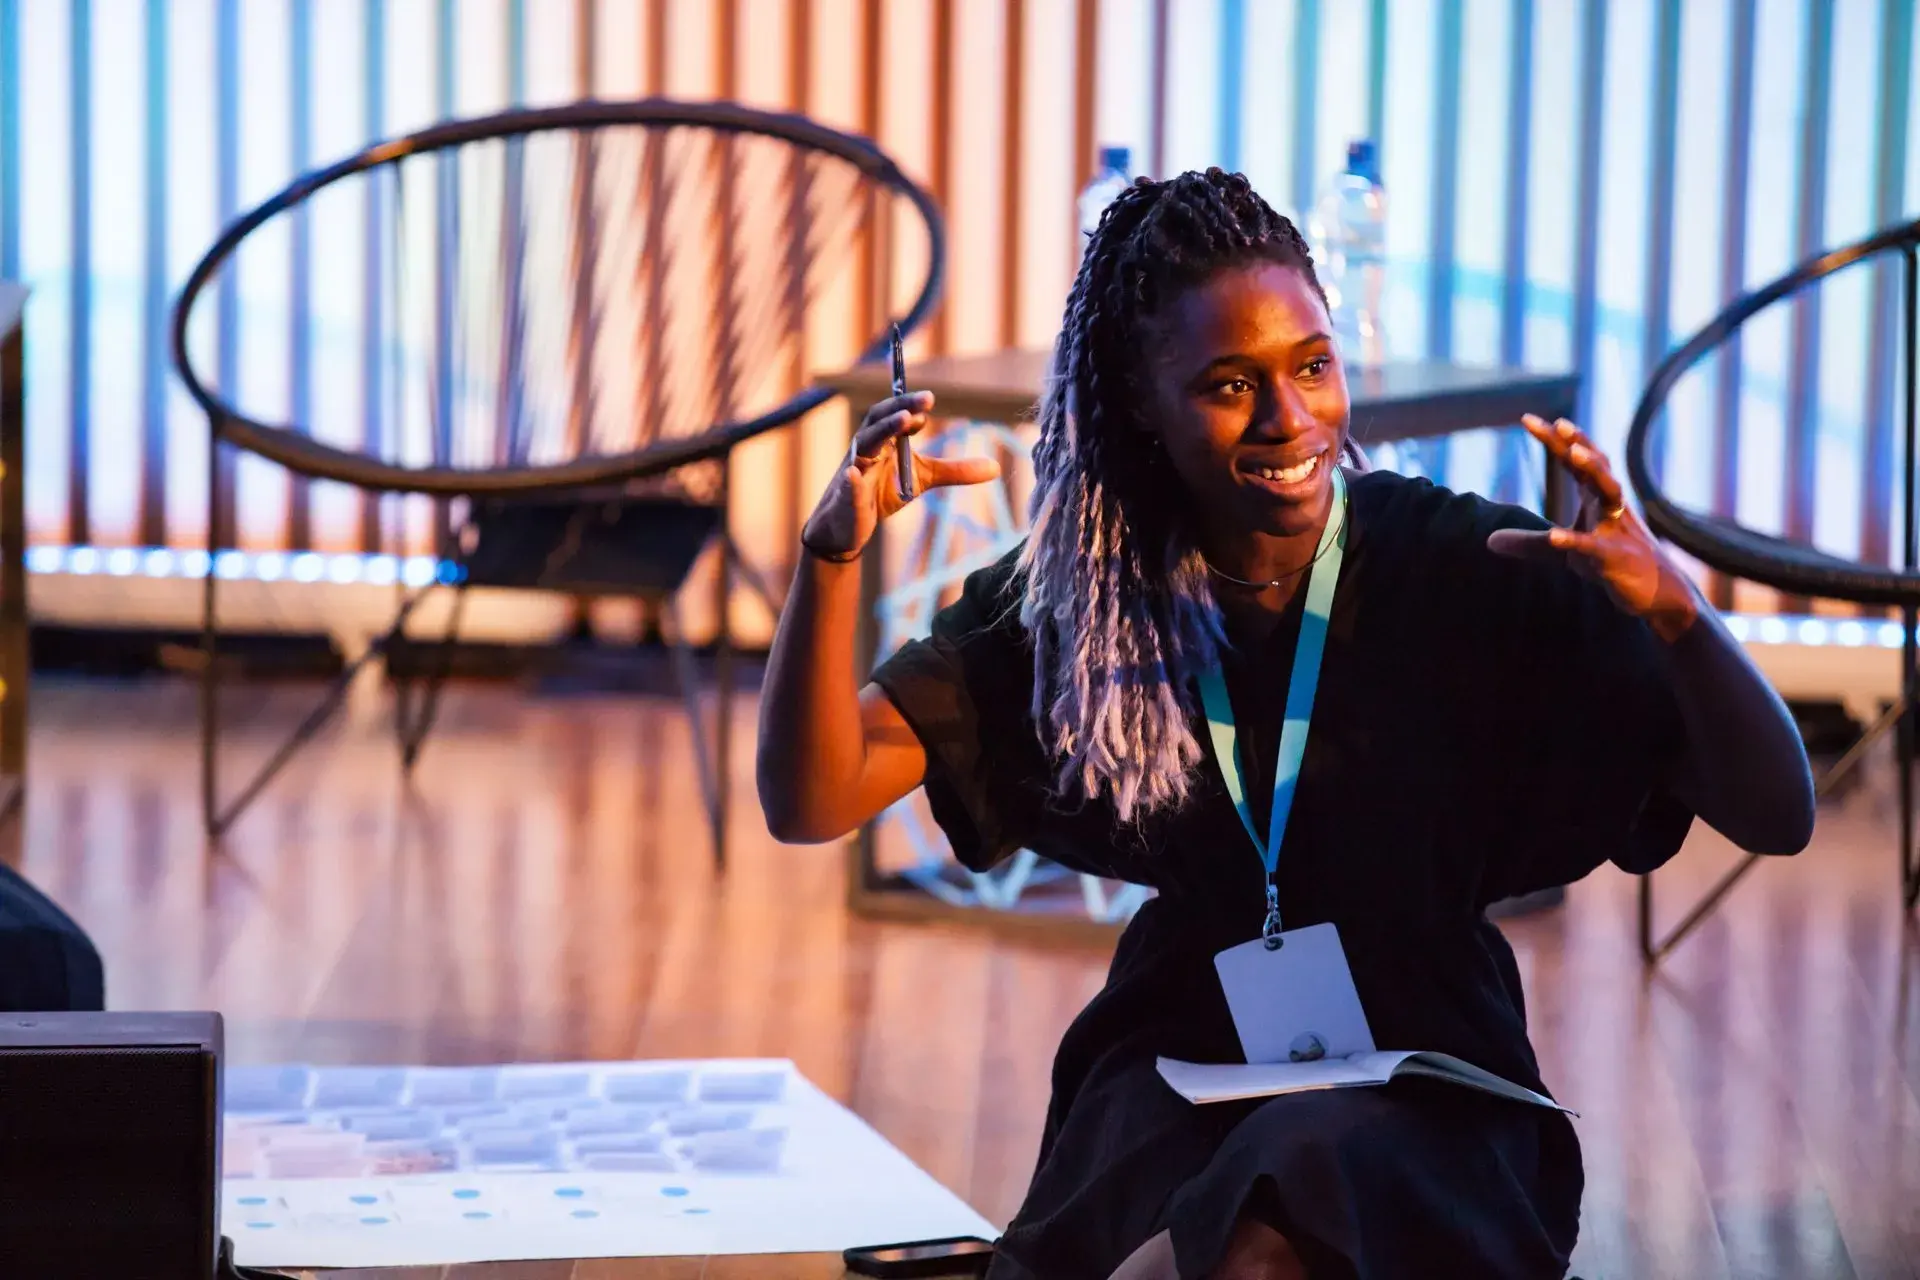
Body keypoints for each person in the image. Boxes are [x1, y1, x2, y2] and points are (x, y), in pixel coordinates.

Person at [756, 169, 1815, 1280]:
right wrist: (831, 560)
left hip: (1428, 1075)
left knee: (1265, 1226)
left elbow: (1778, 812)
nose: (1289, 418)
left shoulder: (1467, 568)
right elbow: (812, 795)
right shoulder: (1088, 598)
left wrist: (1679, 614)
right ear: (1140, 402)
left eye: (1312, 365)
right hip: (1182, 1055)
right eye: (1228, 384)